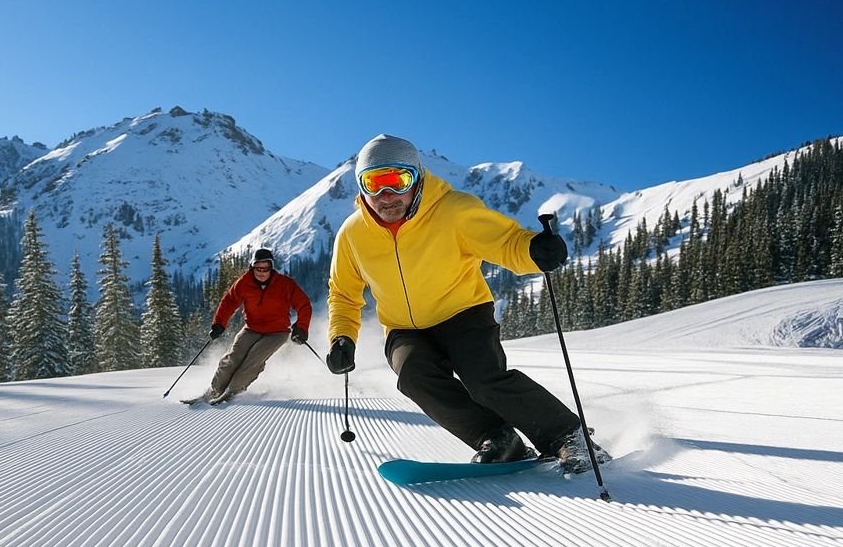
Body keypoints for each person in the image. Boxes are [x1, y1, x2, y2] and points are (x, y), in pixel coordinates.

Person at [325, 134, 610, 472]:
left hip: (463, 313)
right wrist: (342, 336)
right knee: (414, 376)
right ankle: (498, 438)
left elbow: (505, 242)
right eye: (374, 183)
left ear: (416, 178)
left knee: (484, 380)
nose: (386, 195)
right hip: (404, 327)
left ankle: (568, 436)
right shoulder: (352, 233)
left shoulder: (453, 210)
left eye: (398, 180)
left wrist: (534, 251)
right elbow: (343, 293)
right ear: (361, 187)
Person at [193, 248, 313, 405]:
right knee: (232, 358)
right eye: (258, 268)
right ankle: (214, 391)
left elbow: (304, 305)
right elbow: (229, 302)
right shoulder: (245, 282)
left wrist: (301, 328)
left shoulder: (285, 284)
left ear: (271, 268)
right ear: (252, 267)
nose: (261, 272)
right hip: (252, 328)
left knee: (253, 360)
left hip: (277, 332)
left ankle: (233, 391)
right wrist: (219, 324)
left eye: (265, 268)